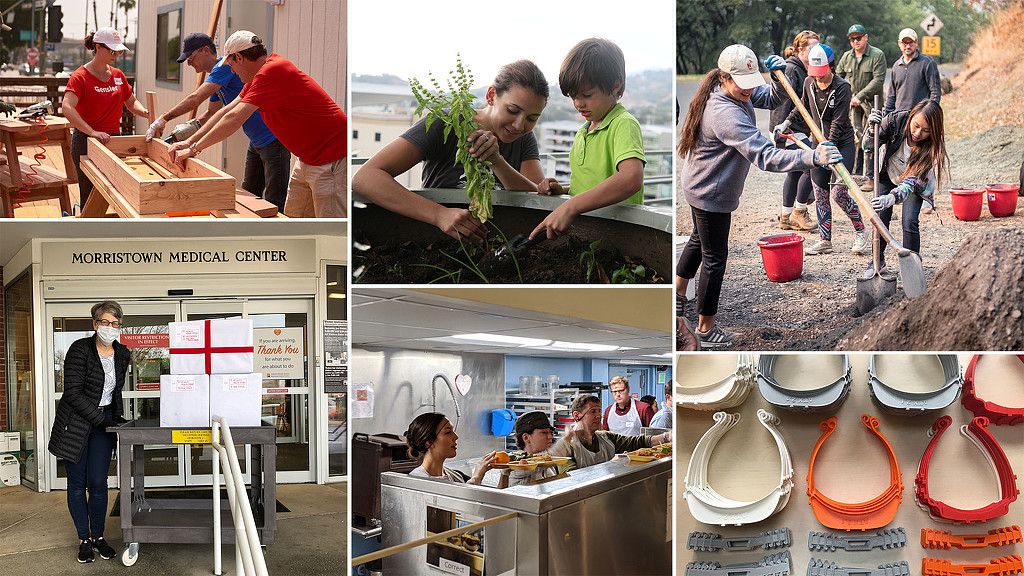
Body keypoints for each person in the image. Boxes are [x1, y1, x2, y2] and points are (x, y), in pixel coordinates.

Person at [676, 44, 841, 347]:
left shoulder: (733, 89)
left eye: (752, 83)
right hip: (709, 191)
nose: (750, 91)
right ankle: (705, 327)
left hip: (701, 184)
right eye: (743, 85)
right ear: (725, 78)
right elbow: (765, 156)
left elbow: (772, 97)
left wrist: (779, 79)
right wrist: (811, 158)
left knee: (699, 241)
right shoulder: (724, 113)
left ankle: (676, 299)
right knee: (715, 258)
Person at [353, 60, 548, 243]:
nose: (519, 125)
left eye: (532, 118)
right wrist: (440, 215)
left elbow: (537, 197)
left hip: (498, 243)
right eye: (512, 111)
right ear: (491, 96)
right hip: (435, 241)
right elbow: (365, 178)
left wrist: (497, 161)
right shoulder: (446, 122)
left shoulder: (524, 138)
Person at [169, 31, 347, 218]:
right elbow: (225, 112)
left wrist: (195, 149)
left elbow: (234, 119)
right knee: (295, 220)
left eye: (231, 64)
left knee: (331, 228)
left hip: (330, 157)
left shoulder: (273, 71)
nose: (232, 71)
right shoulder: (255, 78)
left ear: (239, 57)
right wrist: (188, 143)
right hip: (307, 158)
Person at [146, 33, 291, 211]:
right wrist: (180, 136)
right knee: (249, 193)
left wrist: (163, 119)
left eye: (191, 58)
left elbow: (195, 99)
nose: (189, 63)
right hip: (256, 140)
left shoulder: (223, 68)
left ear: (206, 50)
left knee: (274, 201)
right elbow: (211, 114)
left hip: (272, 139)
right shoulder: (217, 79)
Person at [532, 38, 645, 240]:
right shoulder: (583, 131)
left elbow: (631, 178)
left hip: (619, 237)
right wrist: (564, 191)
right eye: (573, 96)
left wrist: (571, 206)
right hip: (588, 235)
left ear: (615, 87)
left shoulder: (623, 124)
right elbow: (593, 185)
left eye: (586, 94)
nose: (578, 103)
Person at [47, 301, 130, 563]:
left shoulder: (122, 353)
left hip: (103, 422)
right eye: (105, 322)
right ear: (95, 324)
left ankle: (99, 537)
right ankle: (84, 539)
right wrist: (102, 421)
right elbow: (72, 393)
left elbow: (113, 393)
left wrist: (115, 420)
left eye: (115, 324)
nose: (110, 327)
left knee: (98, 484)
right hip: (76, 423)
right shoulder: (79, 349)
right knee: (77, 485)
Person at [780, 44, 868, 256]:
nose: (818, 78)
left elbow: (838, 122)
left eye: (822, 73)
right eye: (814, 73)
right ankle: (824, 240)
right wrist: (787, 122)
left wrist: (829, 147)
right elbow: (802, 105)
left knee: (839, 193)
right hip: (817, 146)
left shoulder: (842, 87)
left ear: (831, 66)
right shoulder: (809, 82)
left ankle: (861, 231)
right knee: (820, 193)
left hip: (841, 145)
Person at [62, 28, 150, 210]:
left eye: (118, 51)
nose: (116, 55)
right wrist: (92, 131)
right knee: (89, 195)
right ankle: (89, 232)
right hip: (86, 140)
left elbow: (131, 101)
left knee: (117, 193)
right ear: (98, 48)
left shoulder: (118, 75)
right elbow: (67, 107)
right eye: (112, 51)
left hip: (113, 140)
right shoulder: (80, 77)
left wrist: (146, 112)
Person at [866, 99, 949, 271]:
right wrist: (870, 129)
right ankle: (876, 261)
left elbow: (910, 183)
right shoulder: (895, 121)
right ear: (911, 117)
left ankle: (912, 267)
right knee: (881, 218)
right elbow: (869, 146)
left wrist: (891, 198)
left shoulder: (930, 148)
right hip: (888, 174)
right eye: (916, 125)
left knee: (909, 221)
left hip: (911, 185)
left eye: (926, 130)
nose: (918, 133)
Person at [770, 30, 820, 232]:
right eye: (812, 47)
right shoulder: (791, 69)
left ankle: (785, 216)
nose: (816, 51)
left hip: (797, 129)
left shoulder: (804, 69)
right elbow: (782, 103)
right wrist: (780, 135)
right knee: (812, 165)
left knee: (794, 172)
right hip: (787, 129)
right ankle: (799, 212)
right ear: (800, 49)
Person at [551, 394, 671, 472]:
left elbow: (636, 442)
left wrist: (666, 436)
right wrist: (611, 466)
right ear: (577, 415)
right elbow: (572, 479)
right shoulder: (567, 446)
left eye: (599, 411)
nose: (598, 416)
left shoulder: (605, 437)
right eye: (593, 412)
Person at [837, 24, 887, 190]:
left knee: (872, 140)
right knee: (855, 139)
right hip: (853, 107)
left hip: (873, 105)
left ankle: (872, 177)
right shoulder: (846, 57)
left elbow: (878, 80)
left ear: (866, 37)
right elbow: (838, 77)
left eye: (859, 38)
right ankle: (857, 176)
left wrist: (860, 96)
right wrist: (846, 95)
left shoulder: (877, 55)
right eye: (852, 39)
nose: (855, 41)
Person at [404, 412, 504, 487]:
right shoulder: (418, 482)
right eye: (448, 432)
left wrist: (505, 474)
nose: (456, 437)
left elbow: (489, 505)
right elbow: (457, 511)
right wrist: (476, 478)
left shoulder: (455, 476)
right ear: (429, 441)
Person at [882, 28, 941, 116]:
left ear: (916, 43)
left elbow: (935, 92)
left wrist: (929, 114)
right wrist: (886, 116)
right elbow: (891, 96)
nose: (908, 46)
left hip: (919, 117)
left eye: (911, 43)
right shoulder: (896, 66)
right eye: (905, 43)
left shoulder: (927, 63)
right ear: (899, 43)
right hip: (899, 118)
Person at [505, 411, 560, 487]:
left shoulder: (547, 463)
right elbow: (536, 466)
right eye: (544, 433)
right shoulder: (516, 464)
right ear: (526, 437)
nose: (550, 437)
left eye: (551, 433)